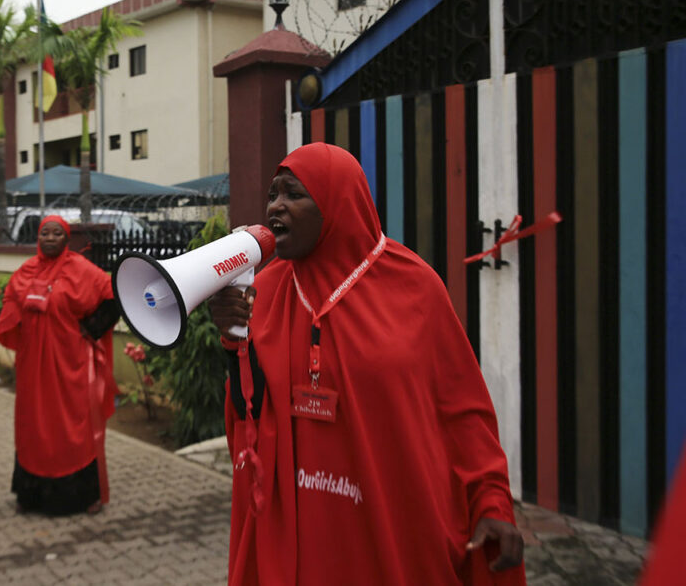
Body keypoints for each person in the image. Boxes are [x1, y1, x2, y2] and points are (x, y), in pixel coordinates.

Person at [209, 143, 525, 585]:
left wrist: (492, 500)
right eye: (272, 194)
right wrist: (232, 340)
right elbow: (248, 420)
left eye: (293, 194)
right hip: (298, 540)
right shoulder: (263, 291)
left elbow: (463, 410)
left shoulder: (415, 287)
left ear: (339, 203)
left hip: (391, 526)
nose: (275, 206)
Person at [0, 215, 120, 515]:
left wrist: (91, 328)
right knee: (33, 426)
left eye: (56, 234)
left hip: (70, 366)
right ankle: (31, 496)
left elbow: (113, 297)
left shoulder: (82, 270)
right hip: (32, 368)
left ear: (66, 239)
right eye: (44, 234)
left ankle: (83, 496)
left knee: (72, 427)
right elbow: (11, 303)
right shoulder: (25, 271)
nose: (49, 239)